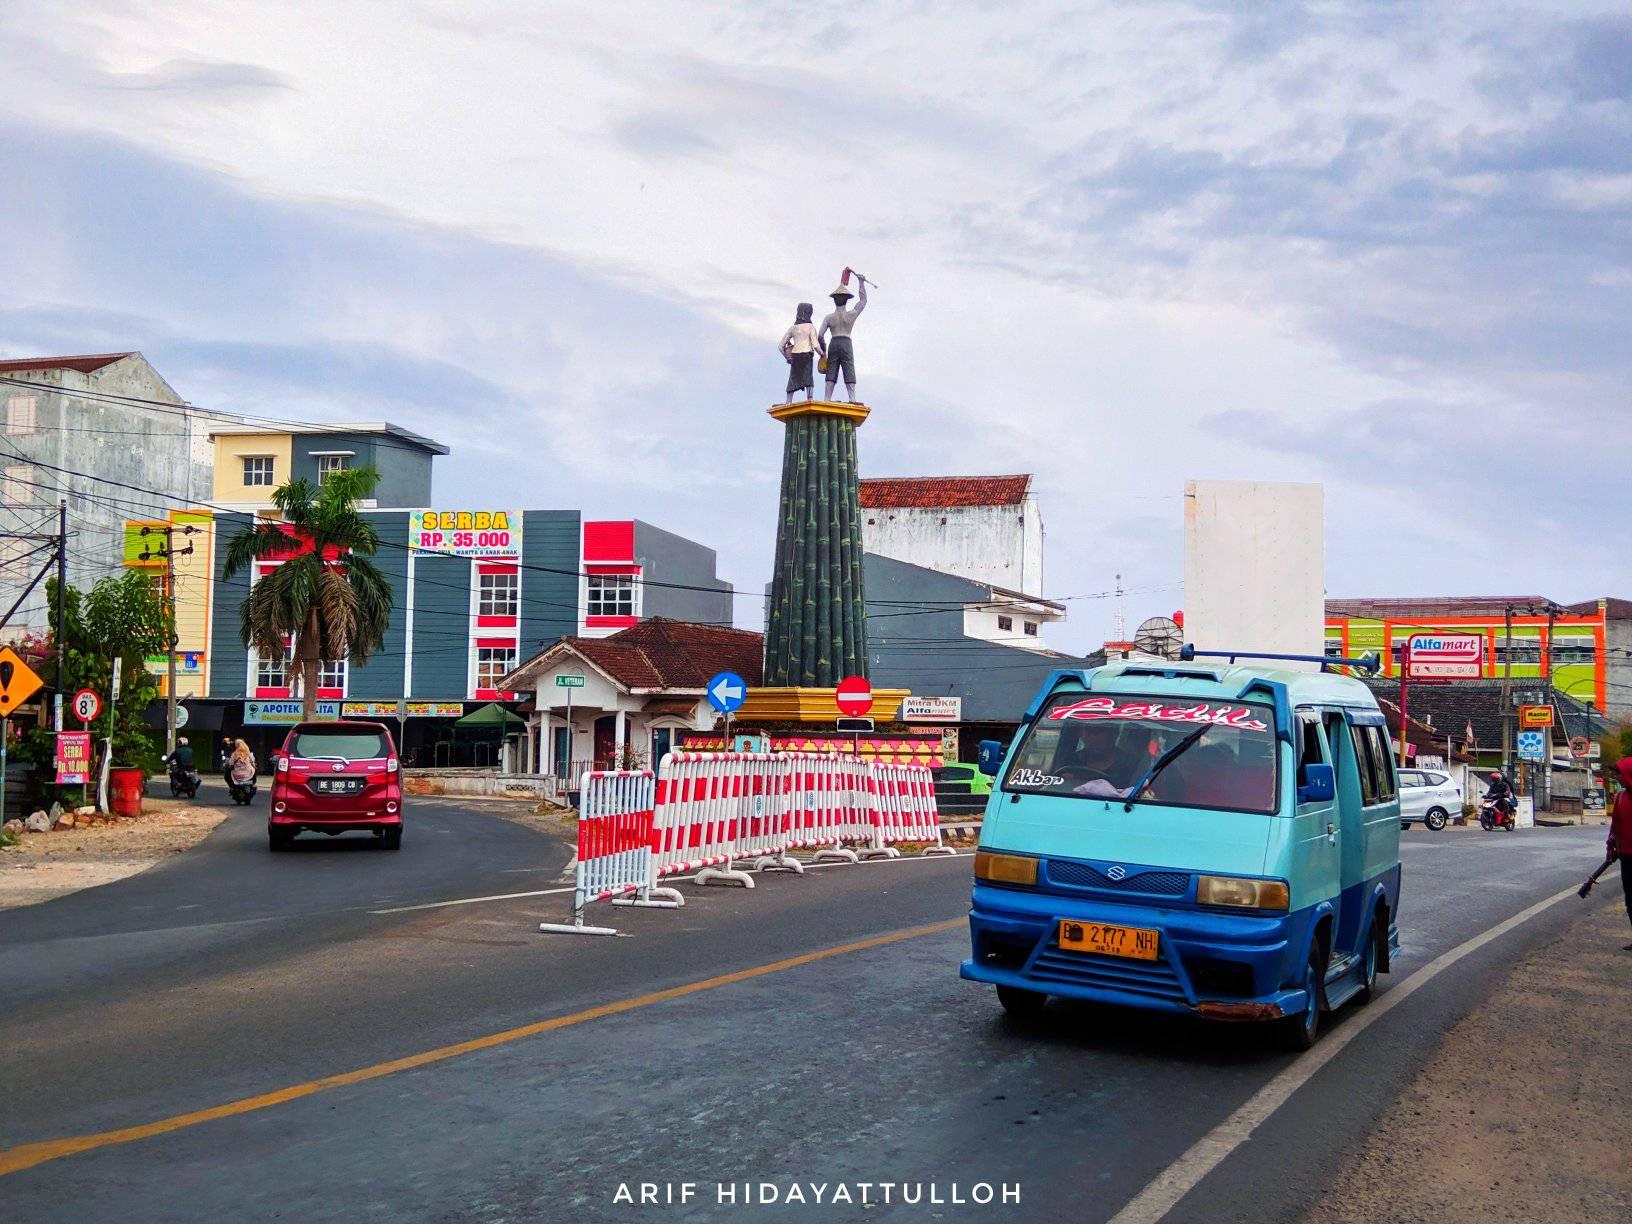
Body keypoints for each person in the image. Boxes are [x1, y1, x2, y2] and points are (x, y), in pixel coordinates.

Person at [817, 273, 867, 402]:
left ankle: (827, 398)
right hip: (846, 342)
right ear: (847, 299)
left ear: (834, 300)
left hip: (834, 342)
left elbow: (820, 335)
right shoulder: (851, 315)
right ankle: (852, 398)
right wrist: (861, 282)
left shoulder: (829, 318)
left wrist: (822, 351)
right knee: (848, 367)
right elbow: (863, 301)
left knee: (831, 369)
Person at [778, 302, 823, 404]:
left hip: (795, 356)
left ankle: (788, 401)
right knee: (808, 378)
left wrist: (788, 358)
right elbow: (815, 344)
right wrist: (822, 353)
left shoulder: (793, 328)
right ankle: (810, 399)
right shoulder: (810, 327)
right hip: (807, 355)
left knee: (793, 379)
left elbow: (780, 347)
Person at [1609, 758, 1632, 949]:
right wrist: (1611, 847)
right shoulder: (1621, 797)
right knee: (1631, 899)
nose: (1617, 777)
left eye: (1619, 773)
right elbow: (1615, 826)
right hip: (1626, 857)